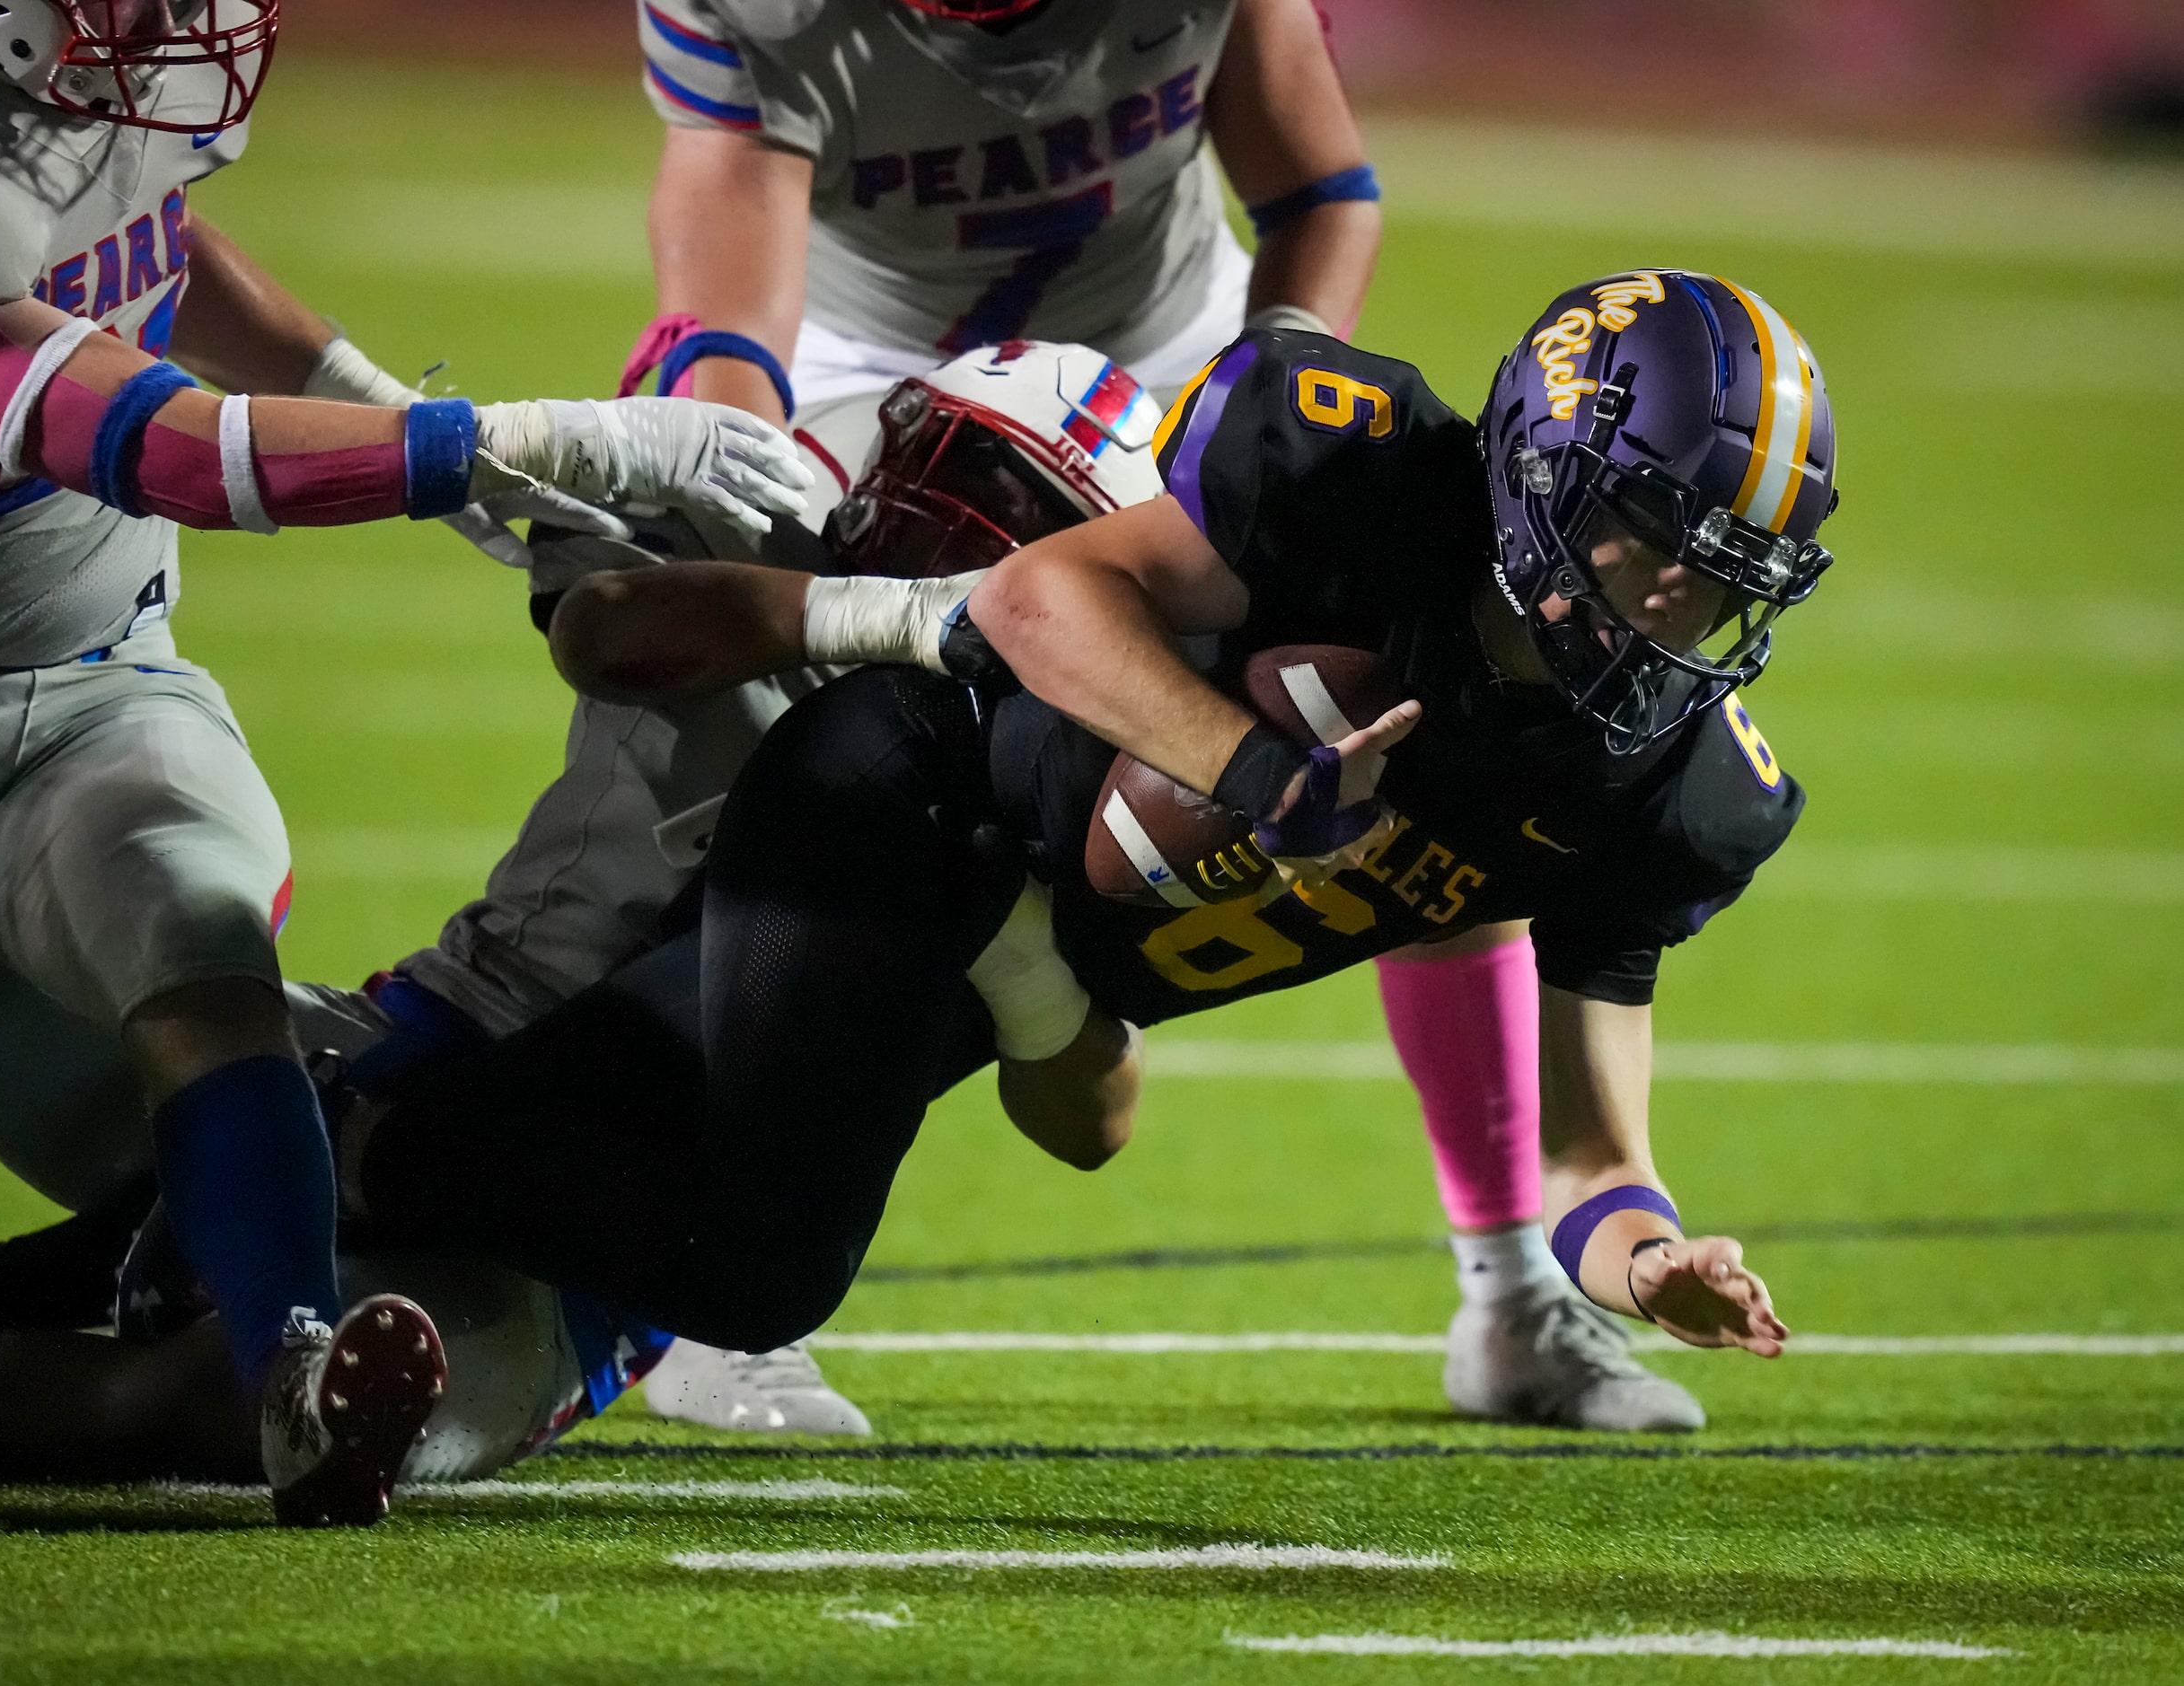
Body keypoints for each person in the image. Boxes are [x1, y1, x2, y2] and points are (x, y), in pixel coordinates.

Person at [0, 0, 806, 1523]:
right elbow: (150, 444)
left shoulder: (75, 84)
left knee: (200, 948)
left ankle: (295, 1371)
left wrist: (376, 396)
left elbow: (155, 253)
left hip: (94, 682)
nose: (194, 19)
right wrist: (516, 438)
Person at [0, 346, 1150, 1478]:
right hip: (370, 1060)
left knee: (275, 1411)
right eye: (966, 470)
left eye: (1022, 514)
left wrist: (1013, 952)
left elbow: (1095, 1116)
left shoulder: (1027, 777)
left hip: (583, 1245)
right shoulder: (765, 533)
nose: (966, 523)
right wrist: (864, 614)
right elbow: (618, 632)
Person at [314, 270, 1836, 1383]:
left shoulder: (1668, 789)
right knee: (752, 1260)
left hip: (1021, 948)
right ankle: (312, 1154)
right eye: (1661, 555)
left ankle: (295, 1162)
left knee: (615, 1147)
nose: (1683, 615)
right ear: (1544, 488)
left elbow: (1594, 1159)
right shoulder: (1359, 475)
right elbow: (1035, 597)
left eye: (1733, 580)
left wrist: (1650, 1262)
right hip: (908, 798)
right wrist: (1260, 776)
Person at [621, 0, 1659, 1429]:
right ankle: (719, 1283)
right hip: (884, 395)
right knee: (790, 767)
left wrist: (1270, 399)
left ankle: (1512, 1295)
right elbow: (734, 315)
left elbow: (1319, 189)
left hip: (1184, 369)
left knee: (1436, 722)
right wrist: (756, 482)